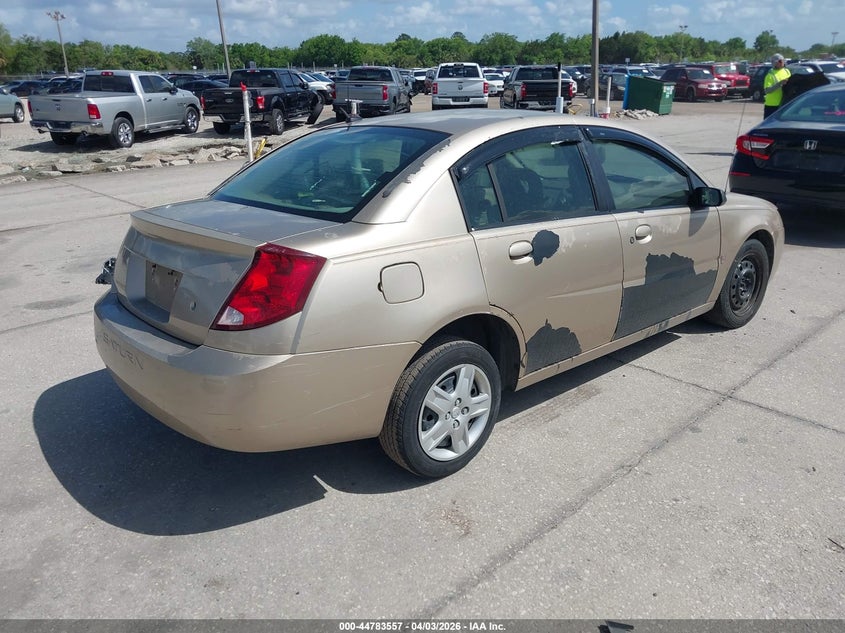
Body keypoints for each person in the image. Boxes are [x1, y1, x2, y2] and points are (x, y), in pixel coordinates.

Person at [763, 53, 791, 118]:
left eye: (782, 61)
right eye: (780, 61)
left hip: (784, 104)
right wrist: (780, 83)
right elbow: (767, 90)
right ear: (775, 63)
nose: (782, 63)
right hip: (772, 105)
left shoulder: (787, 71)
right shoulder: (770, 75)